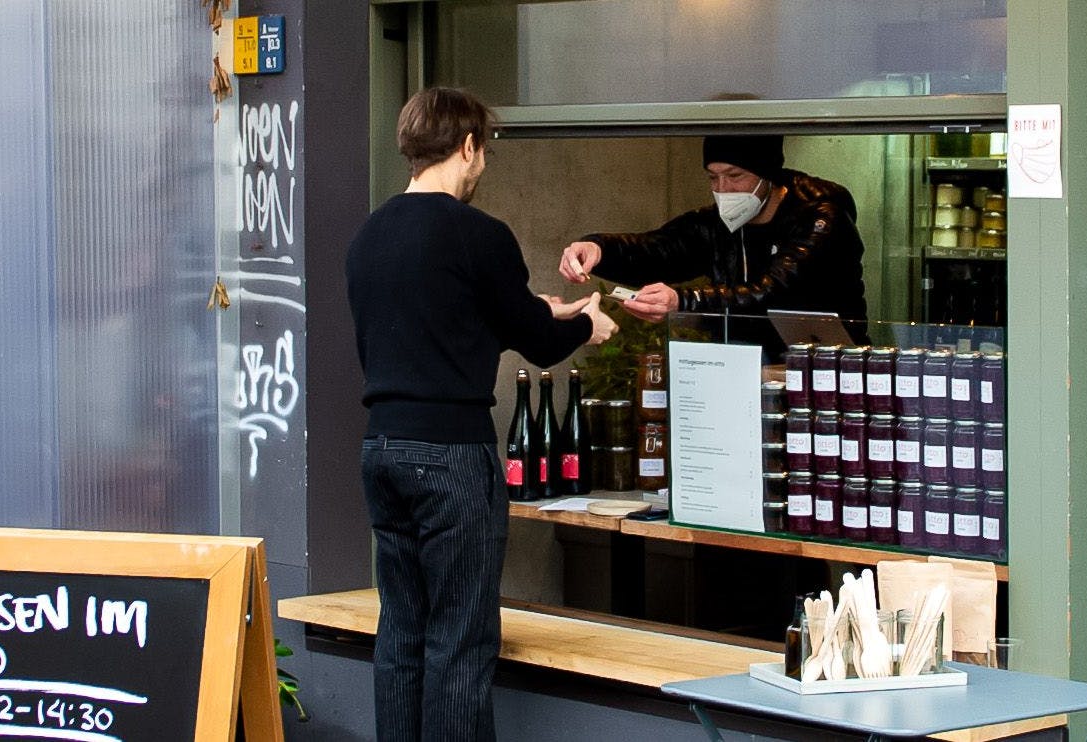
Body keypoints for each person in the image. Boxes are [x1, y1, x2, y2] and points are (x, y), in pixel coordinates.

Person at [345, 87, 616, 742]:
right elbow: (541, 344)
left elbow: (444, 328)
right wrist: (586, 325)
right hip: (449, 459)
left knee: (402, 633)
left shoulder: (368, 236)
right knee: (459, 643)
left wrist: (536, 311)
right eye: (483, 152)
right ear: (467, 147)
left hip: (382, 450)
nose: (482, 165)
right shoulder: (477, 234)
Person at [558, 134, 868, 352]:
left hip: (824, 370)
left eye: (735, 175)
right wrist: (597, 249)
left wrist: (683, 302)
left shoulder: (820, 216)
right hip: (741, 366)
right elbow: (659, 249)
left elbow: (773, 292)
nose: (724, 189)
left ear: (768, 174)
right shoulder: (718, 224)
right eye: (713, 177)